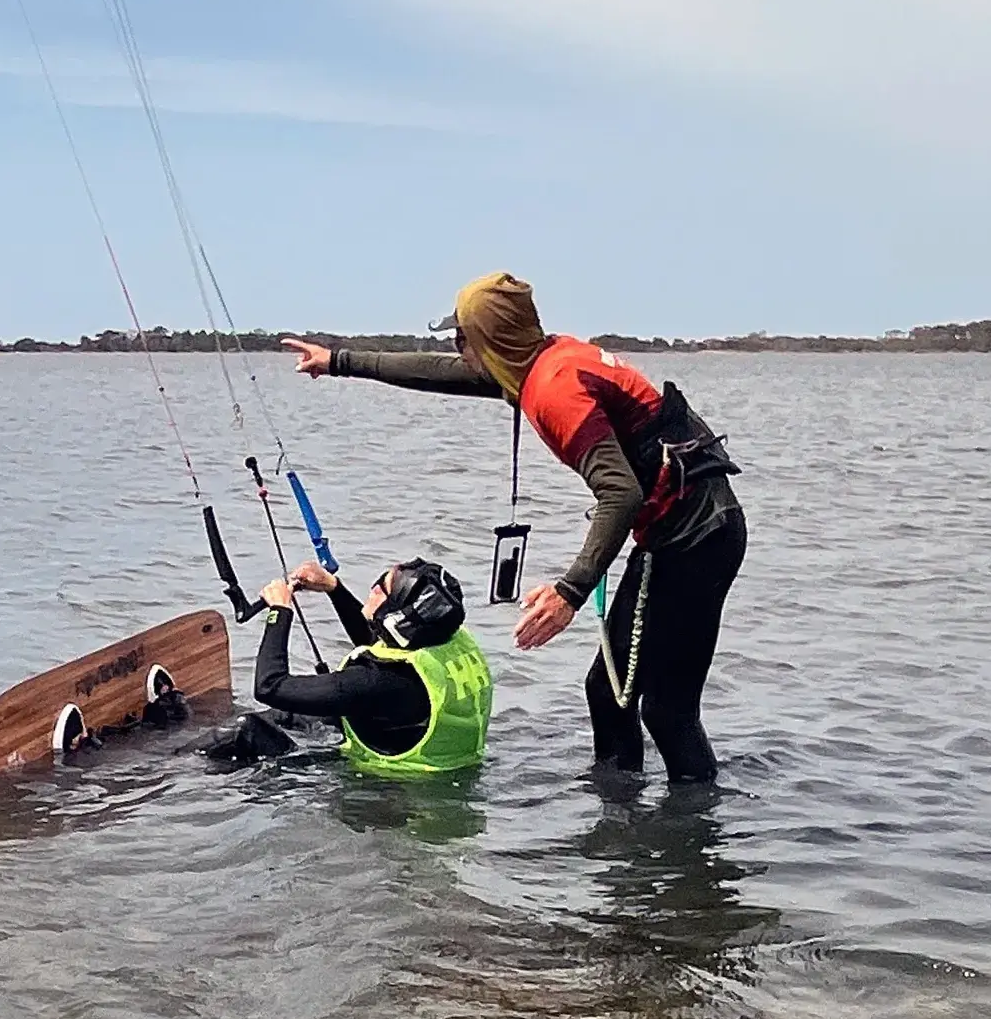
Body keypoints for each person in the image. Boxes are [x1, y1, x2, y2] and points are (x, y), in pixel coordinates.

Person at [281, 272, 745, 784]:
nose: (459, 351)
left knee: (658, 707)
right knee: (619, 694)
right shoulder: (544, 360)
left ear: (489, 340)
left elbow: (620, 492)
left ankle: (663, 837)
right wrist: (339, 361)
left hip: (693, 541)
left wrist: (569, 592)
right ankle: (632, 829)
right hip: (693, 533)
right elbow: (439, 372)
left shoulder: (555, 389)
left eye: (464, 339)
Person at [239, 557, 495, 776]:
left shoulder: (374, 681)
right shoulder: (448, 643)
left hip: (387, 791)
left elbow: (269, 686)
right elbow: (385, 642)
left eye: (381, 588)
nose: (372, 587)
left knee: (244, 730)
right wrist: (334, 589)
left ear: (397, 618)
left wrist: (280, 611)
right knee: (287, 716)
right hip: (441, 767)